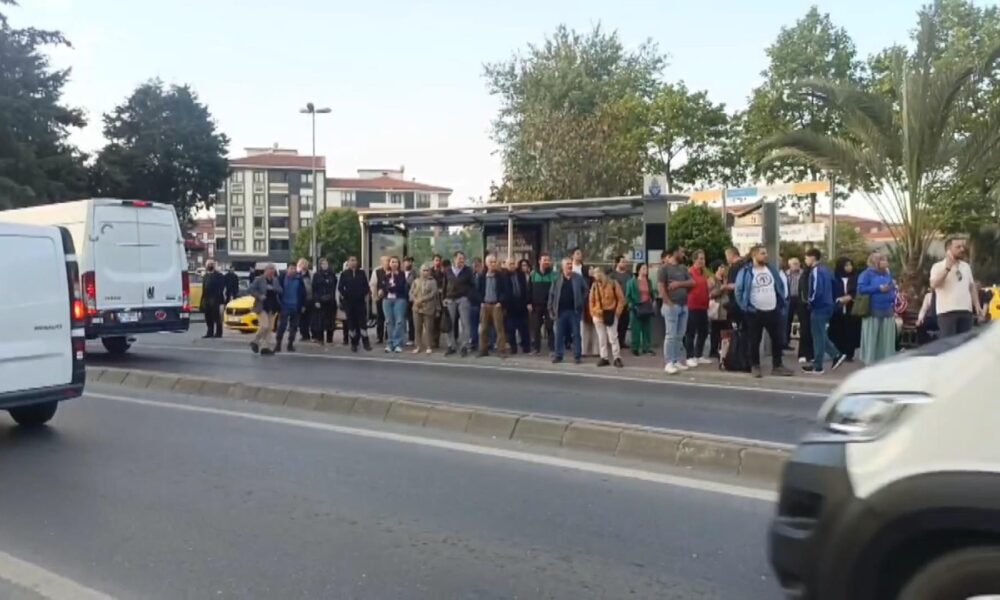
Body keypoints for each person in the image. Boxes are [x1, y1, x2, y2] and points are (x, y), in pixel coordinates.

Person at [734, 246, 793, 378]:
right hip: (755, 311)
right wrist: (745, 307)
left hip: (772, 309)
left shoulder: (771, 269)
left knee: (777, 339)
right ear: (754, 255)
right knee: (754, 340)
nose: (766, 255)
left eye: (766, 253)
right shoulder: (746, 271)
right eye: (762, 253)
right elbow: (738, 291)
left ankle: (777, 365)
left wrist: (780, 302)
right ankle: (755, 365)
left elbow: (779, 285)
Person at [802, 248, 846, 374]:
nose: (805, 260)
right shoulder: (826, 270)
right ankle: (834, 355)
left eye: (806, 257)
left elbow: (817, 289)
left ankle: (819, 365)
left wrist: (810, 301)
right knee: (820, 334)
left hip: (819, 306)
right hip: (828, 305)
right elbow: (834, 285)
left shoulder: (816, 271)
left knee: (818, 336)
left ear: (812, 257)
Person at [929, 237, 984, 337]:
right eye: (958, 247)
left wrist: (977, 305)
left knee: (965, 343)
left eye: (962, 247)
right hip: (947, 312)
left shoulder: (966, 266)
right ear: (948, 250)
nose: (962, 249)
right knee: (949, 343)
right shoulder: (938, 266)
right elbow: (934, 284)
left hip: (965, 311)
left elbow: (971, 287)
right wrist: (947, 268)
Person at [659, 245, 695, 375]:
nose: (683, 254)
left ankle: (677, 360)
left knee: (680, 335)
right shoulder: (664, 269)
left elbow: (692, 282)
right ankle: (669, 362)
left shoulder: (683, 268)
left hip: (684, 305)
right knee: (671, 335)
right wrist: (668, 303)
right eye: (681, 252)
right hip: (672, 305)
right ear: (675, 253)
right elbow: (661, 287)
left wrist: (679, 284)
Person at [857, 253, 897, 365]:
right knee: (872, 337)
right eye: (882, 259)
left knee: (887, 338)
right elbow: (861, 289)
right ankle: (870, 362)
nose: (885, 262)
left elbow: (891, 288)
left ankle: (886, 361)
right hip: (873, 310)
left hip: (887, 309)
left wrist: (892, 287)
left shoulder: (887, 273)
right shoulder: (866, 274)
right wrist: (878, 288)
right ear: (875, 262)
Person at [548, 257, 588, 364]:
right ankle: (558, 355)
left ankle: (577, 356)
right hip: (560, 312)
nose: (570, 266)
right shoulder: (557, 279)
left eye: (571, 264)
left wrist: (581, 301)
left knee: (576, 334)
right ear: (563, 266)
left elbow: (586, 290)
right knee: (559, 334)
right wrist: (550, 308)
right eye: (567, 264)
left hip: (574, 311)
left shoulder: (578, 278)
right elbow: (551, 294)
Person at [589, 267, 625, 368]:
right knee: (601, 338)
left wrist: (617, 313)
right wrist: (593, 313)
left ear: (601, 274)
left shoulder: (613, 283)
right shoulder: (594, 285)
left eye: (596, 274)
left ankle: (617, 357)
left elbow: (621, 299)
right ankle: (604, 357)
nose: (595, 276)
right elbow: (591, 301)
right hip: (598, 314)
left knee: (613, 337)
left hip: (611, 313)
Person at [476, 255, 510, 358]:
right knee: (483, 329)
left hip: (496, 305)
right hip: (485, 305)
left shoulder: (501, 276)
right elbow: (477, 291)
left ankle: (501, 350)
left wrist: (500, 302)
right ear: (486, 263)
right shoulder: (481, 276)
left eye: (494, 262)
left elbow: (505, 290)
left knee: (499, 329)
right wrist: (481, 301)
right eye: (491, 262)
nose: (493, 264)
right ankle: (483, 349)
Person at [443, 251, 476, 357]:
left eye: (463, 258)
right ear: (454, 259)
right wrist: (444, 298)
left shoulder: (468, 270)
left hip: (463, 299)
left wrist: (468, 297)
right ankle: (451, 346)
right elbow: (444, 285)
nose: (461, 260)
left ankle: (464, 346)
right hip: (450, 299)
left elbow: (472, 285)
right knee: (450, 323)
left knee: (465, 323)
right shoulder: (448, 271)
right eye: (459, 258)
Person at [829, 257, 861, 361]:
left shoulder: (856, 278)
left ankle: (849, 353)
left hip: (851, 308)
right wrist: (839, 299)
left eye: (850, 265)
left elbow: (858, 291)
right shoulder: (834, 278)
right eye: (846, 265)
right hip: (837, 308)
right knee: (837, 329)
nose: (849, 267)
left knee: (851, 330)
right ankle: (838, 353)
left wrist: (850, 297)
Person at [684, 250, 711, 367]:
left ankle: (698, 355)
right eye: (700, 259)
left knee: (703, 331)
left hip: (703, 306)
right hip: (692, 306)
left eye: (703, 259)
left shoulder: (703, 273)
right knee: (690, 332)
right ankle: (689, 357)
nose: (702, 261)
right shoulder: (690, 272)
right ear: (694, 260)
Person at [338, 256, 371, 352]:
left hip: (360, 302)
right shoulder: (344, 274)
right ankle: (353, 343)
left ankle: (366, 342)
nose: (353, 262)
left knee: (362, 323)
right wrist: (346, 295)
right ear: (348, 262)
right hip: (349, 303)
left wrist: (362, 294)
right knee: (351, 324)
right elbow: (340, 287)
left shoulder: (361, 273)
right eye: (351, 260)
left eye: (355, 260)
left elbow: (366, 286)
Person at [249, 264, 281, 356]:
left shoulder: (275, 280)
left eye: (273, 269)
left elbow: (280, 290)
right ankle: (255, 341)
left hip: (272, 306)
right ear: (265, 270)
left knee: (270, 328)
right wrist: (259, 296)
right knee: (265, 326)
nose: (272, 271)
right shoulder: (259, 279)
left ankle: (265, 347)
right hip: (262, 306)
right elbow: (251, 289)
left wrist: (275, 289)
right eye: (270, 269)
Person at [625, 263, 657, 356]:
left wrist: (653, 299)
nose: (645, 270)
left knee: (647, 328)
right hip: (636, 307)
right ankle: (635, 348)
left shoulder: (649, 281)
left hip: (646, 307)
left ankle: (647, 348)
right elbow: (628, 296)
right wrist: (631, 305)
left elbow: (651, 292)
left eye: (646, 268)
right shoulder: (631, 282)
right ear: (638, 270)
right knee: (636, 329)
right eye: (643, 268)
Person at [530, 253, 558, 356]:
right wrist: (529, 302)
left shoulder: (554, 275)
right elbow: (529, 289)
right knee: (536, 327)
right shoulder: (533, 274)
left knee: (550, 326)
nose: (546, 262)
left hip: (549, 305)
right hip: (536, 305)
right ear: (539, 261)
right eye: (544, 260)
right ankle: (536, 349)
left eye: (548, 260)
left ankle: (552, 349)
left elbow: (556, 290)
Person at [409, 263, 440, 354]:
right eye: (423, 270)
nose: (425, 272)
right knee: (417, 328)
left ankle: (429, 346)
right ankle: (418, 346)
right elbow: (410, 293)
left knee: (429, 328)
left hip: (428, 307)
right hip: (416, 307)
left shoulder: (433, 281)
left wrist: (422, 299)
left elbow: (433, 293)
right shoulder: (416, 281)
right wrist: (415, 300)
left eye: (427, 270)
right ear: (420, 271)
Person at [380, 256, 408, 353]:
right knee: (389, 322)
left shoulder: (402, 274)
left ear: (399, 264)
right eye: (392, 262)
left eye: (396, 262)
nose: (394, 264)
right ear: (389, 264)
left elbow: (400, 287)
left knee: (399, 321)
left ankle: (397, 343)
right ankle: (390, 343)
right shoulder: (386, 275)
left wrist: (391, 287)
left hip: (399, 299)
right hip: (387, 300)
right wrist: (389, 288)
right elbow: (384, 287)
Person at [275, 263, 306, 353]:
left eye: (294, 268)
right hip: (284, 306)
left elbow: (303, 293)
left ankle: (290, 344)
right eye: (291, 268)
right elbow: (277, 291)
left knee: (294, 327)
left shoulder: (299, 279)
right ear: (287, 269)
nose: (293, 270)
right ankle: (278, 344)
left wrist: (303, 305)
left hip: (296, 306)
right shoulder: (282, 278)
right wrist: (278, 304)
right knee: (282, 326)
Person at [505, 258, 531, 354]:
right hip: (510, 306)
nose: (512, 266)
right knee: (511, 329)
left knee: (524, 328)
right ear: (506, 265)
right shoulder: (504, 276)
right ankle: (513, 348)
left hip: (521, 304)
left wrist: (527, 302)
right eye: (510, 264)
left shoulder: (520, 275)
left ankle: (526, 347)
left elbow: (525, 289)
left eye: (513, 263)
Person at [311, 258, 338, 346]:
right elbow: (314, 289)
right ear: (320, 265)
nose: (324, 265)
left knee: (330, 321)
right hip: (320, 301)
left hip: (331, 301)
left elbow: (335, 287)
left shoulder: (332, 275)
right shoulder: (317, 275)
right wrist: (316, 300)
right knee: (320, 321)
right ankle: (320, 339)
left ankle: (330, 339)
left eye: (326, 263)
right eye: (322, 264)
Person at [708, 261, 730, 359]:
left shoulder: (726, 279)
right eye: (721, 267)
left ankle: (723, 350)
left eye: (724, 267)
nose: (723, 269)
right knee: (715, 330)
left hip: (725, 308)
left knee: (725, 329)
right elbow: (710, 294)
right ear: (716, 269)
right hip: (717, 307)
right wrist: (720, 289)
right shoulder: (712, 279)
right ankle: (713, 350)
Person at [610, 255, 633, 349]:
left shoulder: (629, 275)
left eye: (625, 262)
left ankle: (621, 341)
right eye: (622, 261)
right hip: (615, 303)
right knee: (616, 323)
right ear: (617, 263)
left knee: (625, 323)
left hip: (626, 302)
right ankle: (614, 342)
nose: (625, 263)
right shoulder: (612, 275)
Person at [200, 260, 226, 338]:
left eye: (211, 264)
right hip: (207, 299)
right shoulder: (205, 276)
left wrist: (218, 297)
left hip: (216, 299)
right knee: (208, 317)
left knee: (217, 317)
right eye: (208, 264)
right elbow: (204, 289)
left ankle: (218, 333)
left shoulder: (219, 276)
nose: (210, 266)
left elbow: (222, 287)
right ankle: (209, 332)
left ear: (214, 266)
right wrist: (202, 301)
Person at [369, 256, 389, 345]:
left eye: (388, 261)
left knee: (389, 318)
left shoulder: (392, 270)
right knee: (380, 318)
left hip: (390, 298)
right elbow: (373, 284)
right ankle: (379, 337)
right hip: (380, 298)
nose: (387, 263)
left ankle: (388, 335)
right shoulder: (377, 271)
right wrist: (375, 297)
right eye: (385, 261)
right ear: (381, 262)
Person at [784, 258, 802, 350]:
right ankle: (786, 342)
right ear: (789, 265)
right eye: (794, 263)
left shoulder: (803, 274)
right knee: (787, 320)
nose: (796, 265)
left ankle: (803, 343)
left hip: (800, 298)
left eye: (797, 263)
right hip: (789, 298)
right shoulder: (785, 274)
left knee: (802, 320)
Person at [431, 254, 446, 350]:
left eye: (439, 260)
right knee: (430, 320)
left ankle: (436, 340)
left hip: (440, 298)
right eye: (436, 260)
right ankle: (431, 339)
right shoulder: (429, 272)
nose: (437, 262)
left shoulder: (443, 272)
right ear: (433, 261)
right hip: (431, 298)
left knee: (438, 320)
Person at [296, 259, 313, 342]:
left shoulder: (311, 274)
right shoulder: (298, 275)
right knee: (302, 319)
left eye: (305, 264)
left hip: (310, 299)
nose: (303, 265)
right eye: (301, 264)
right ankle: (304, 335)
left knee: (310, 318)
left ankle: (312, 334)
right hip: (301, 300)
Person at [469, 257, 484, 350]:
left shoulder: (484, 275)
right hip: (473, 303)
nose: (476, 267)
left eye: (477, 265)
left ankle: (486, 343)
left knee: (485, 325)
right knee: (473, 325)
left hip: (483, 303)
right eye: (474, 265)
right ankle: (474, 342)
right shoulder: (471, 276)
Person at [403, 257, 416, 347]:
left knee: (411, 319)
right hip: (401, 298)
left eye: (410, 262)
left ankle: (411, 338)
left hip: (411, 299)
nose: (408, 263)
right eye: (406, 261)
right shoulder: (400, 272)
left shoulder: (415, 273)